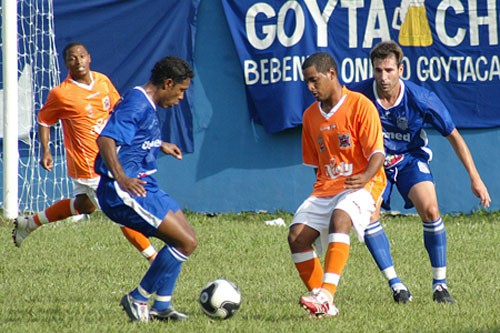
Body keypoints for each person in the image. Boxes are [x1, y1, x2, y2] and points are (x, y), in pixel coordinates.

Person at [349, 40, 491, 304]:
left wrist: (475, 178)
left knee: (431, 210)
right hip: (375, 164)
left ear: (400, 69)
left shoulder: (421, 99)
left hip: (410, 160)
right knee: (368, 215)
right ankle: (397, 286)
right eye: (378, 70)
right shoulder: (358, 96)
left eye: (389, 70)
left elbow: (454, 136)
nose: (383, 77)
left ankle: (440, 286)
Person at [12, 42, 159, 263]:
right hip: (87, 164)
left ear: (89, 58)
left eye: (81, 56)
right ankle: (155, 259)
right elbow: (44, 119)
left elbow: (119, 111)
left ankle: (30, 223)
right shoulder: (61, 94)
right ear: (66, 63)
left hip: (108, 158)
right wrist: (46, 150)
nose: (78, 61)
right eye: (72, 58)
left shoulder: (103, 81)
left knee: (84, 205)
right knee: (120, 211)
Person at [94, 55, 197, 322]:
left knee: (186, 234)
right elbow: (106, 140)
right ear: (168, 83)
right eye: (181, 90)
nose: (181, 97)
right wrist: (122, 179)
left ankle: (162, 305)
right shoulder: (137, 104)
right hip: (124, 190)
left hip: (145, 183)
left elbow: (134, 135)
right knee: (185, 242)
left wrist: (158, 143)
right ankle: (138, 298)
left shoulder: (145, 102)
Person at [288, 52, 387, 318]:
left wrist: (366, 177)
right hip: (327, 187)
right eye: (306, 82)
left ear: (331, 74)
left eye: (314, 80)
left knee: (340, 217)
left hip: (363, 184)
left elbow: (378, 153)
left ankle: (325, 294)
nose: (310, 87)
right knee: (297, 236)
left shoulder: (360, 105)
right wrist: (322, 194)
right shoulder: (310, 116)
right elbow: (317, 165)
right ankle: (325, 304)